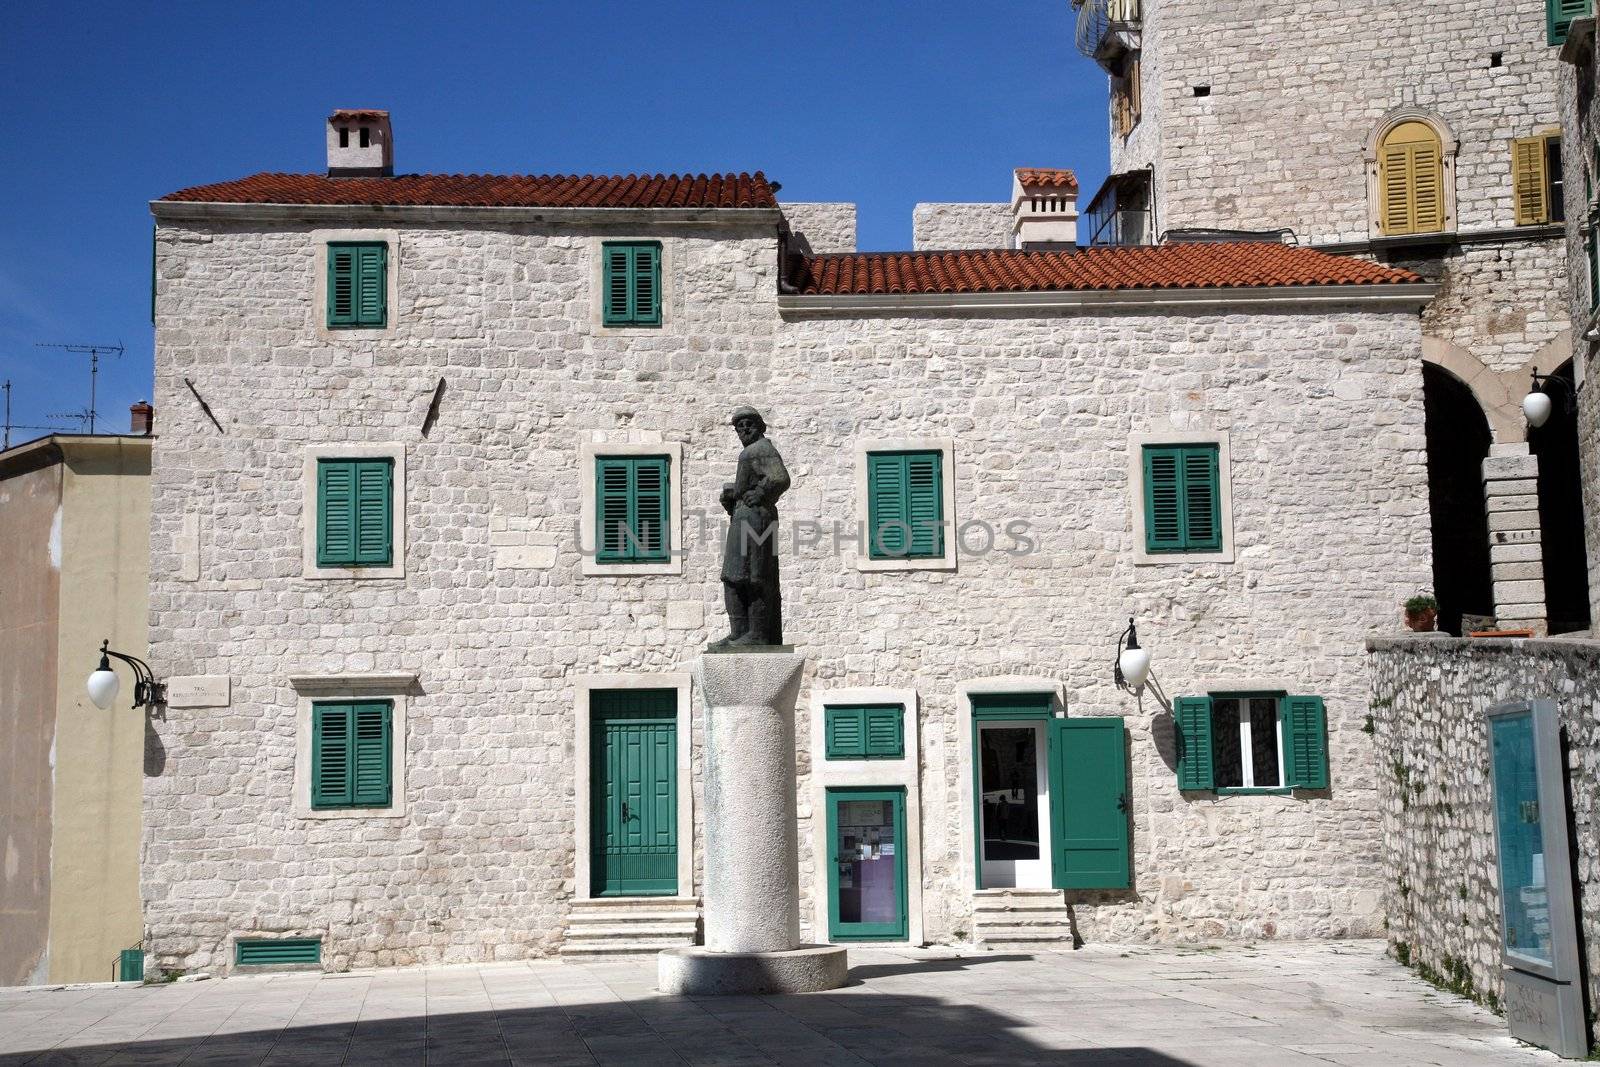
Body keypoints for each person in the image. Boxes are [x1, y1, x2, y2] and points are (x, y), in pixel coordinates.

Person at [709, 406, 790, 649]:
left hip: (756, 519)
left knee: (754, 576)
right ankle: (740, 632)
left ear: (761, 426)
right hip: (743, 517)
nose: (743, 428)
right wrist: (734, 497)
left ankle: (756, 633)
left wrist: (761, 492)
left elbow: (781, 478)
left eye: (749, 423)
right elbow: (749, 486)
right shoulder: (750, 453)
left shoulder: (762, 449)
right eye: (739, 425)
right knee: (734, 576)